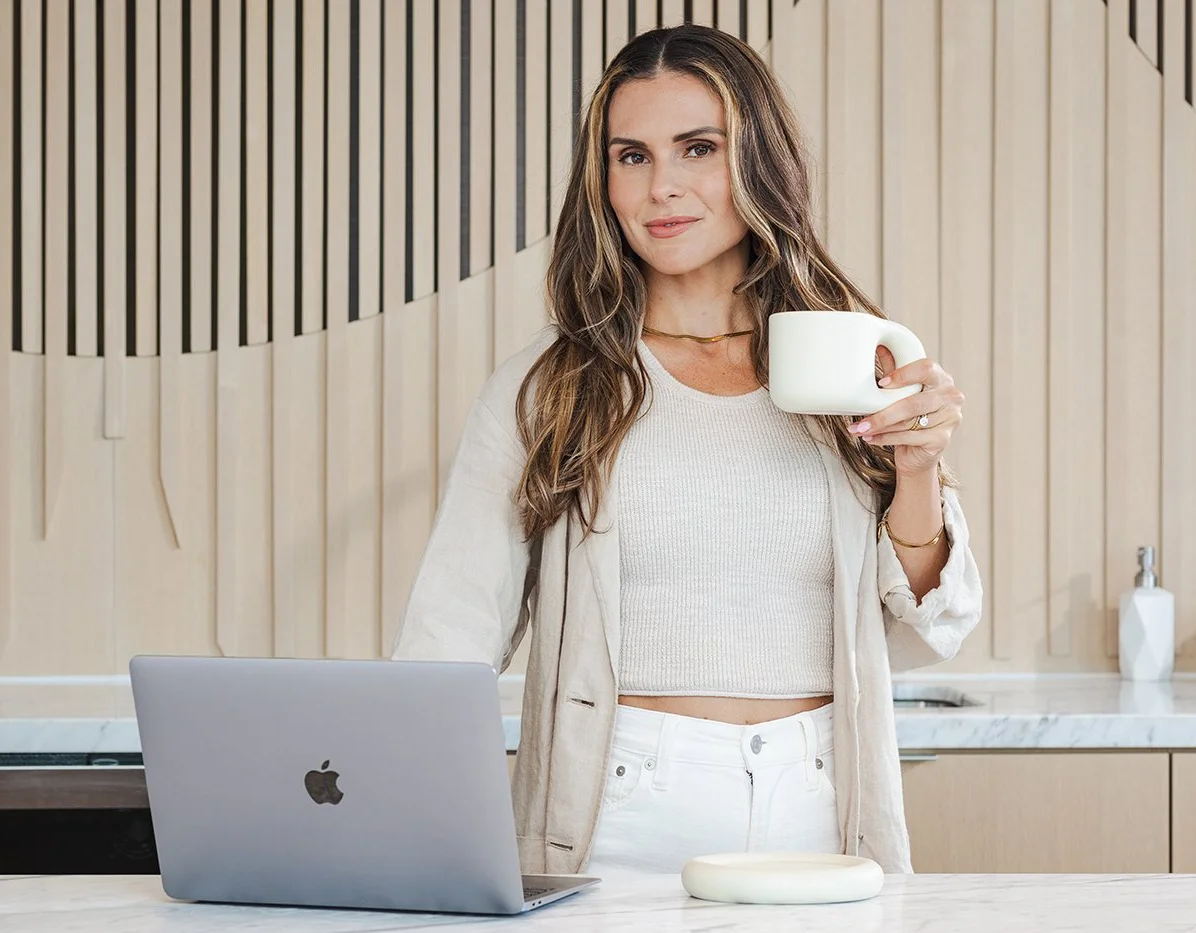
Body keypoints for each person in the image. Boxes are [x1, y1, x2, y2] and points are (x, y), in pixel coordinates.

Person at [390, 24, 982, 875]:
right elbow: (447, 638)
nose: (661, 187)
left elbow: (933, 628)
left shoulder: (853, 364)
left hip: (819, 805)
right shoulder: (553, 384)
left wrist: (916, 469)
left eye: (697, 148)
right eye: (631, 156)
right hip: (617, 810)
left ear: (758, 163)